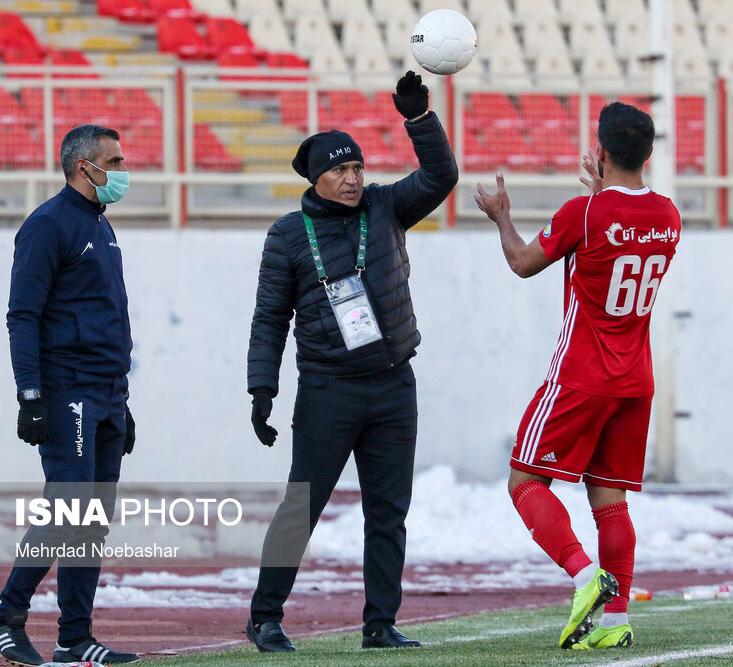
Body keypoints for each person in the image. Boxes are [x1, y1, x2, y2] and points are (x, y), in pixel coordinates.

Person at [244, 71, 458, 652]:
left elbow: (442, 175)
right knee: (302, 509)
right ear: (317, 178)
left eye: (358, 167)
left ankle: (379, 624)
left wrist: (419, 120)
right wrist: (261, 388)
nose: (352, 178)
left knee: (388, 514)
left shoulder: (386, 207)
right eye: (340, 170)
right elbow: (269, 320)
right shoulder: (288, 236)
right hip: (328, 390)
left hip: (393, 386)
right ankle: (265, 617)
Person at [474, 103, 681, 650]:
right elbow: (620, 229)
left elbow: (522, 261)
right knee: (610, 501)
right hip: (635, 380)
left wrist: (500, 214)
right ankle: (614, 623)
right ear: (650, 154)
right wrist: (599, 194)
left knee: (524, 481)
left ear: (603, 151)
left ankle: (585, 576)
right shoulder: (669, 215)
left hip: (581, 375)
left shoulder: (582, 213)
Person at [0, 124, 140, 665]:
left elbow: (105, 319)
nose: (122, 171)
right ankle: (6, 617)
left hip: (105, 393)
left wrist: (122, 401)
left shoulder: (102, 227)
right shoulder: (47, 225)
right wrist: (30, 395)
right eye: (114, 162)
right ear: (84, 167)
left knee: (91, 518)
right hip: (66, 390)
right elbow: (22, 315)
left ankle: (75, 638)